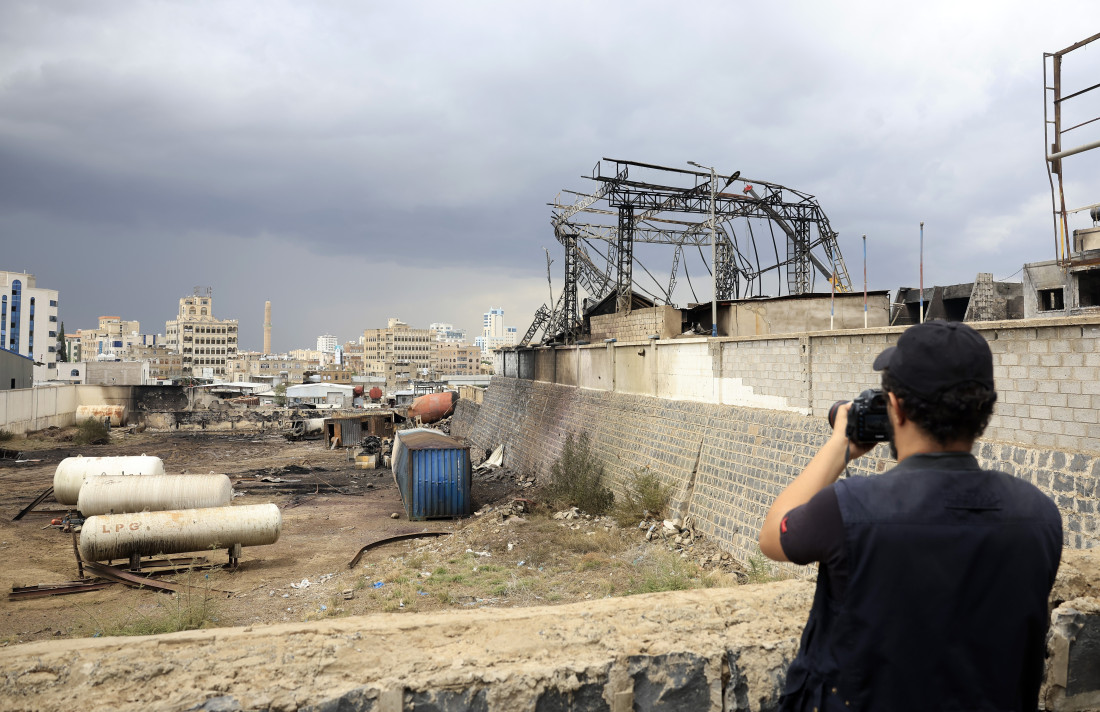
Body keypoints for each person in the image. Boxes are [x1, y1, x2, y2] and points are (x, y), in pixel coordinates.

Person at [758, 321, 1062, 711]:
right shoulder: (1040, 515)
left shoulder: (847, 508)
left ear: (896, 407)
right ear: (984, 410)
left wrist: (841, 445)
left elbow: (773, 535)